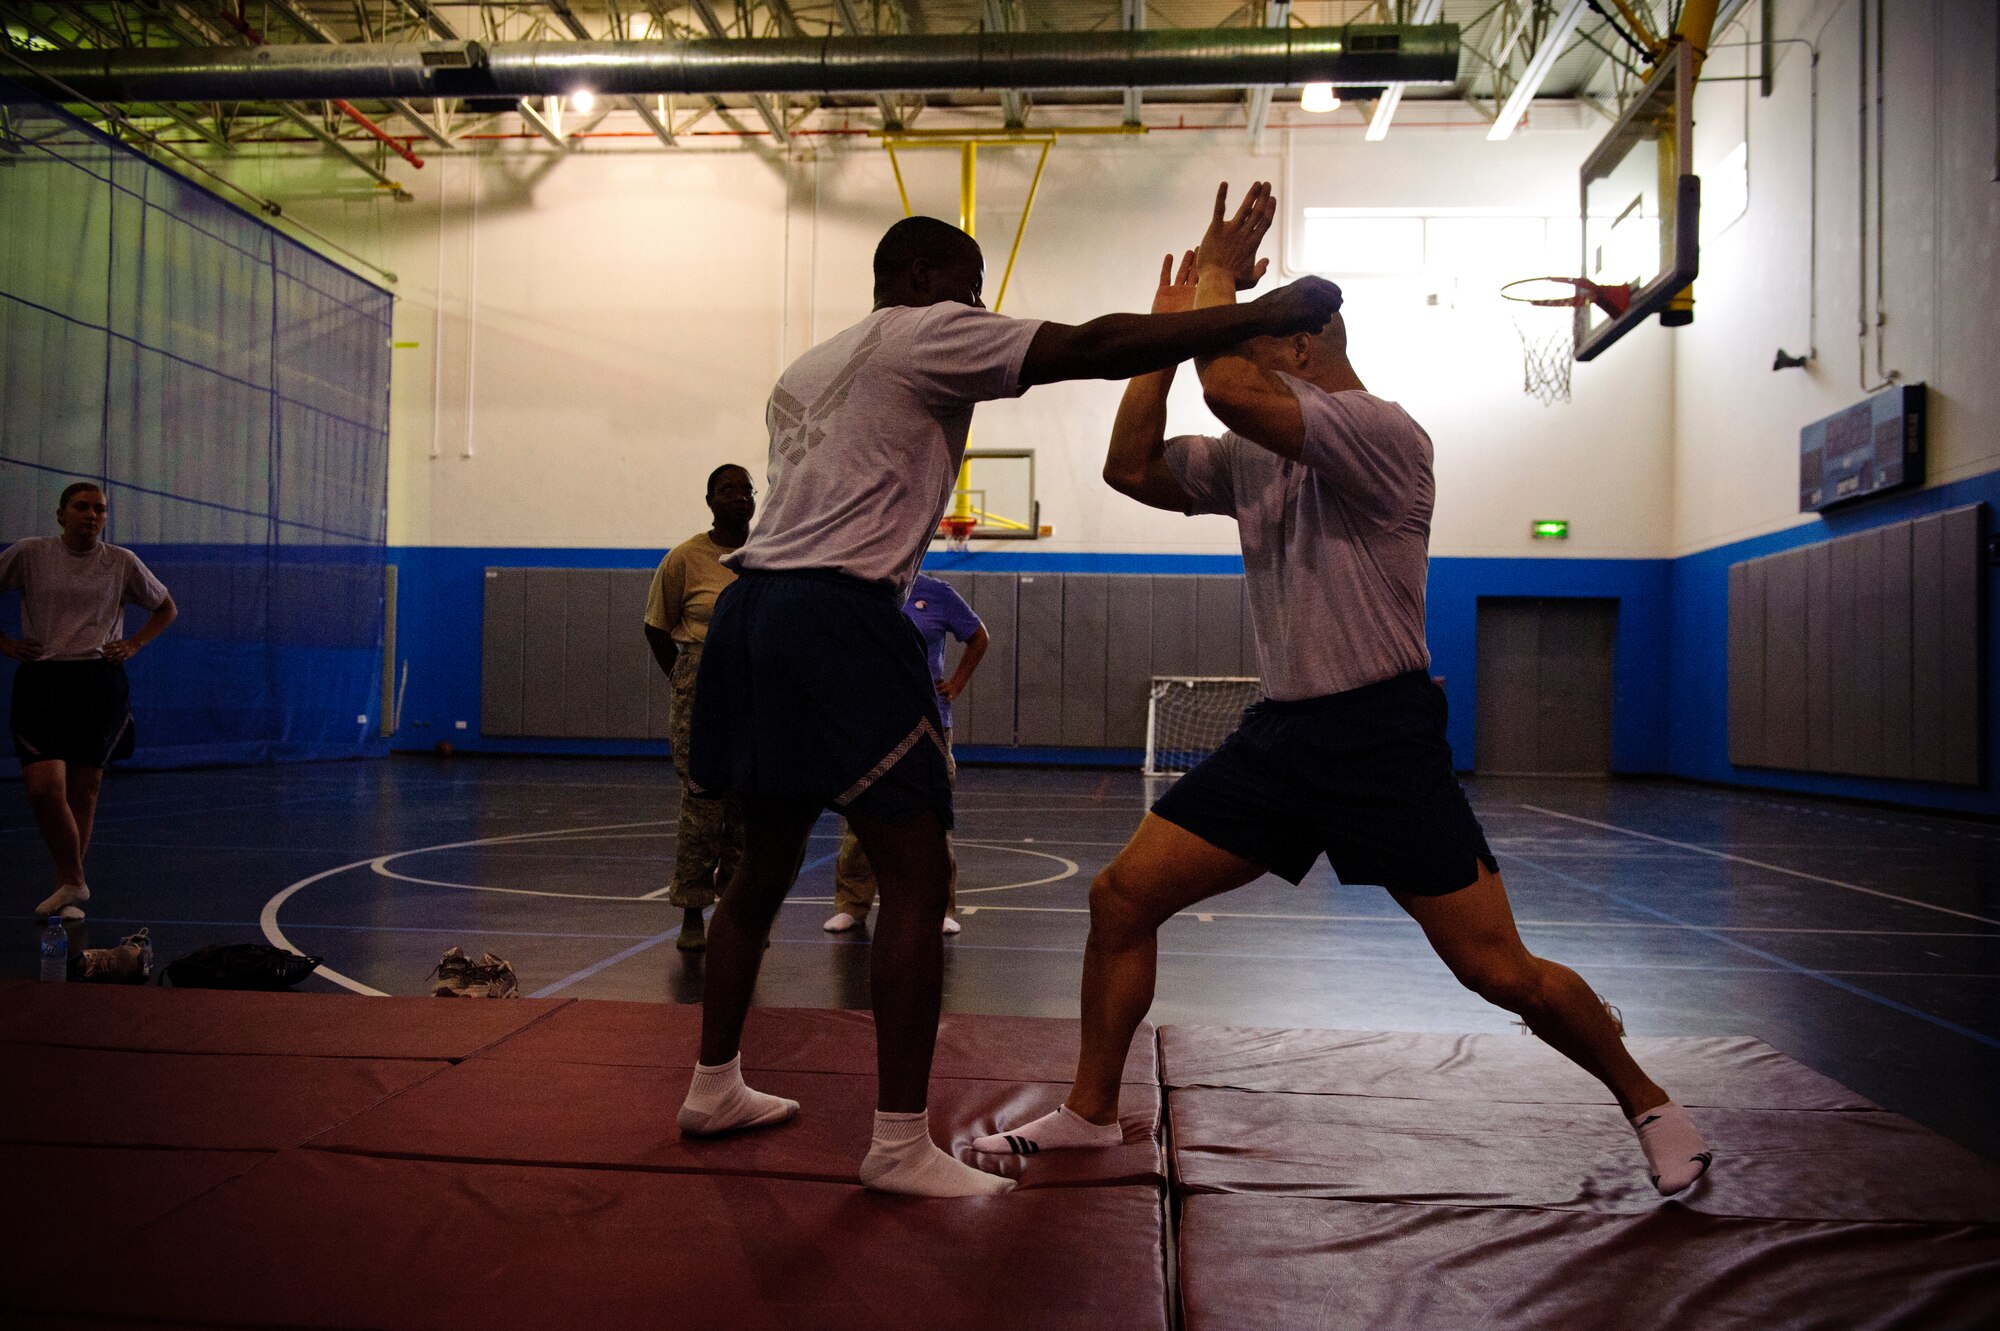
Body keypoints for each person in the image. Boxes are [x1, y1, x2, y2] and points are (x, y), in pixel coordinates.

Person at [973, 184, 1712, 1198]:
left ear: (1304, 347)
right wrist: (1161, 337)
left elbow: (1228, 389)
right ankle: (1093, 1112)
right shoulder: (1250, 461)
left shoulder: (1381, 430)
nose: (1232, 352)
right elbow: (1126, 465)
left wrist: (1213, 285)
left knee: (1496, 970)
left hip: (1378, 736)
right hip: (1281, 737)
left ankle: (1650, 1101)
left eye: (1253, 338)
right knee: (1120, 897)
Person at [674, 207, 1342, 1198]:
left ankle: (712, 1083)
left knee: (762, 863)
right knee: (914, 873)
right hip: (837, 615)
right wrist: (1240, 309)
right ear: (919, 274)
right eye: (969, 278)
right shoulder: (924, 329)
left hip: (752, 611)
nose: (978, 301)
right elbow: (1087, 346)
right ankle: (898, 1143)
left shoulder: (806, 366)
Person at [1, 482, 177, 921]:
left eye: (99, 509)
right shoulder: (30, 554)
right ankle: (74, 878)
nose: (91, 515)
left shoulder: (120, 562)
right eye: (81, 507)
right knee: (44, 788)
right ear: (61, 514)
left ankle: (68, 887)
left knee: (86, 789)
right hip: (43, 680)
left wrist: (133, 644)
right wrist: (5, 643)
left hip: (98, 682)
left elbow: (165, 607)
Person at [824, 570, 988, 937]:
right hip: (870, 721)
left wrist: (957, 683)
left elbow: (978, 636)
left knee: (935, 815)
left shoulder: (937, 593)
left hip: (928, 721)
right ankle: (852, 904)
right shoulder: (864, 591)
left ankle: (942, 907)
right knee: (860, 811)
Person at [644, 464, 756, 952]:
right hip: (700, 685)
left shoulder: (767, 554)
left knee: (747, 805)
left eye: (744, 490)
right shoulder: (685, 559)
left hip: (754, 690)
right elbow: (656, 628)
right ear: (709, 500)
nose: (737, 498)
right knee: (703, 802)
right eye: (726, 490)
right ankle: (692, 911)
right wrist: (685, 678)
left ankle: (737, 916)